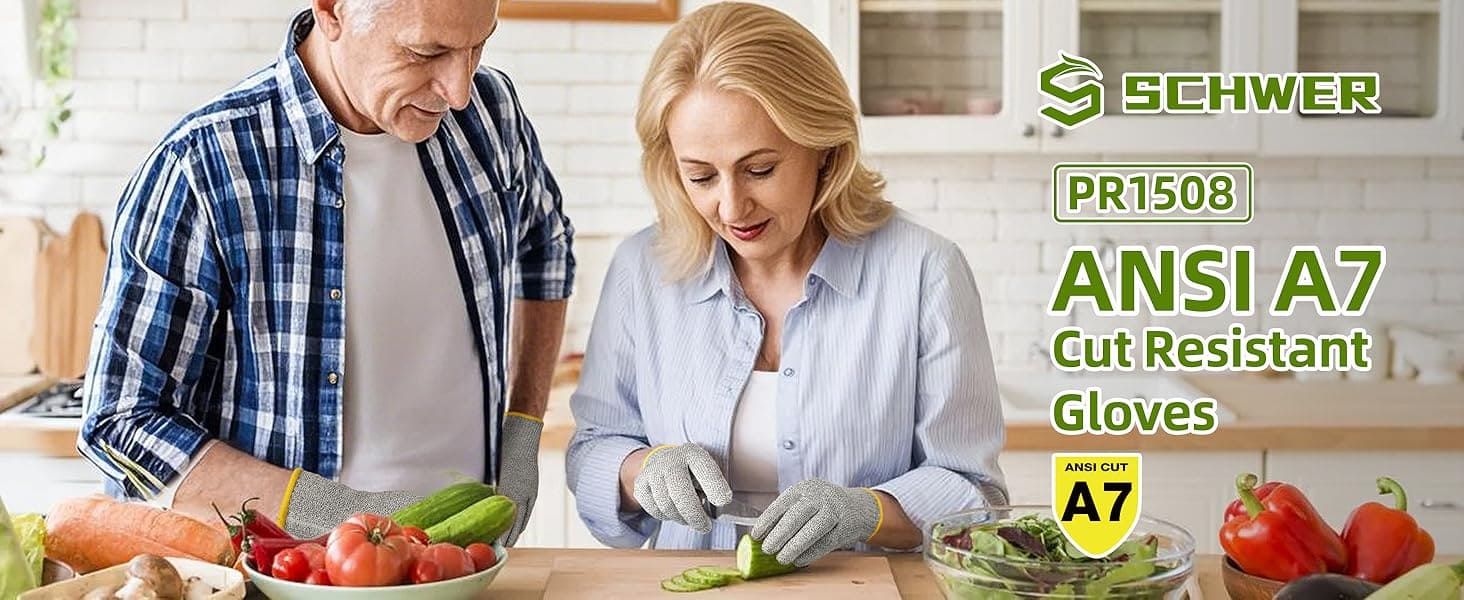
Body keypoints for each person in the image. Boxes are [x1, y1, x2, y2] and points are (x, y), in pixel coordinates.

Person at [78, 0, 573, 543]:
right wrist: (337, 515)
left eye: (478, 46)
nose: (458, 90)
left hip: (467, 562)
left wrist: (523, 432)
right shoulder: (205, 164)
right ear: (333, 11)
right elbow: (121, 422)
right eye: (426, 52)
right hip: (290, 570)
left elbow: (545, 249)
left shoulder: (491, 113)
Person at [566, 1, 1007, 567]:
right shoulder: (641, 271)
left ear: (823, 148)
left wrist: (867, 510)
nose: (730, 206)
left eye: (760, 169)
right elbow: (594, 446)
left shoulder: (924, 271)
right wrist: (640, 470)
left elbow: (975, 492)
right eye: (700, 176)